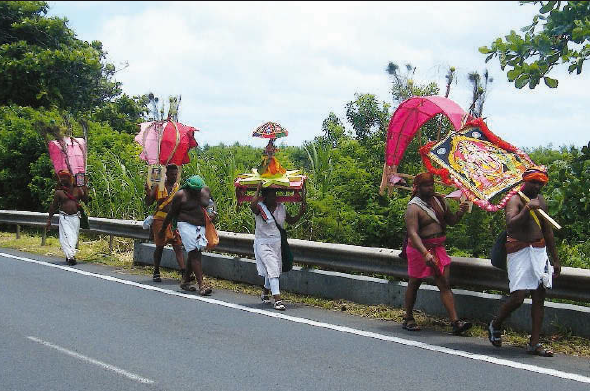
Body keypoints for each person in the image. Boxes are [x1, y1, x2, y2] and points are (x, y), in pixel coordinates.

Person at [488, 167, 561, 357]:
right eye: (534, 182)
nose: (537, 186)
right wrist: (527, 208)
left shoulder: (541, 201)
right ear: (525, 181)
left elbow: (548, 231)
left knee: (539, 296)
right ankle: (495, 323)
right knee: (518, 296)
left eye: (540, 183)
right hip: (519, 251)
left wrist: (555, 258)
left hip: (539, 251)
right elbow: (511, 224)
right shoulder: (514, 199)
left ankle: (534, 343)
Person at [402, 172, 472, 335]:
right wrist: (425, 254)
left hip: (438, 248)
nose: (430, 188)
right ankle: (408, 317)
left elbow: (452, 221)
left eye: (432, 185)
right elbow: (413, 233)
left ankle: (456, 322)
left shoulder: (440, 201)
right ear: (417, 188)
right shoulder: (413, 207)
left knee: (443, 283)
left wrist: (460, 212)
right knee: (415, 282)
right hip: (419, 250)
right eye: (426, 186)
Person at [250, 182, 305, 311]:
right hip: (263, 242)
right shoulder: (260, 208)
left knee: (274, 269)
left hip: (276, 243)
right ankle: (278, 300)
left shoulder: (281, 208)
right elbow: (252, 206)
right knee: (273, 268)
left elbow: (290, 221)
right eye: (270, 196)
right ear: (265, 197)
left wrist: (300, 213)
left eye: (275, 195)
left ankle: (265, 293)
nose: (274, 198)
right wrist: (257, 190)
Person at [159, 175, 213, 295]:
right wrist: (163, 229)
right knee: (194, 253)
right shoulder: (181, 195)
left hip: (200, 226)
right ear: (189, 188)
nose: (196, 192)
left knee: (194, 252)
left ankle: (185, 281)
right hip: (185, 225)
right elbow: (171, 213)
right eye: (194, 190)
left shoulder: (205, 191)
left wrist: (213, 213)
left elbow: (211, 205)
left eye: (198, 190)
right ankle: (201, 285)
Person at [144, 164, 186, 282]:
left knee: (177, 246)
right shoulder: (159, 185)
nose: (174, 176)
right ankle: (156, 271)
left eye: (175, 174)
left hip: (173, 220)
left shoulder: (178, 188)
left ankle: (183, 272)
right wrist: (148, 192)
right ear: (166, 174)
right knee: (160, 246)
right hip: (160, 219)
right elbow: (149, 202)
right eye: (171, 174)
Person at [46, 170, 88, 265]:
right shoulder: (59, 192)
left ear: (71, 178)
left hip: (75, 217)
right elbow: (53, 206)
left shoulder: (78, 190)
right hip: (64, 217)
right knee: (66, 237)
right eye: (62, 177)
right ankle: (71, 256)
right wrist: (49, 219)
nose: (64, 179)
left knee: (73, 237)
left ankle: (69, 255)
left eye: (66, 177)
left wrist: (84, 189)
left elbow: (86, 201)